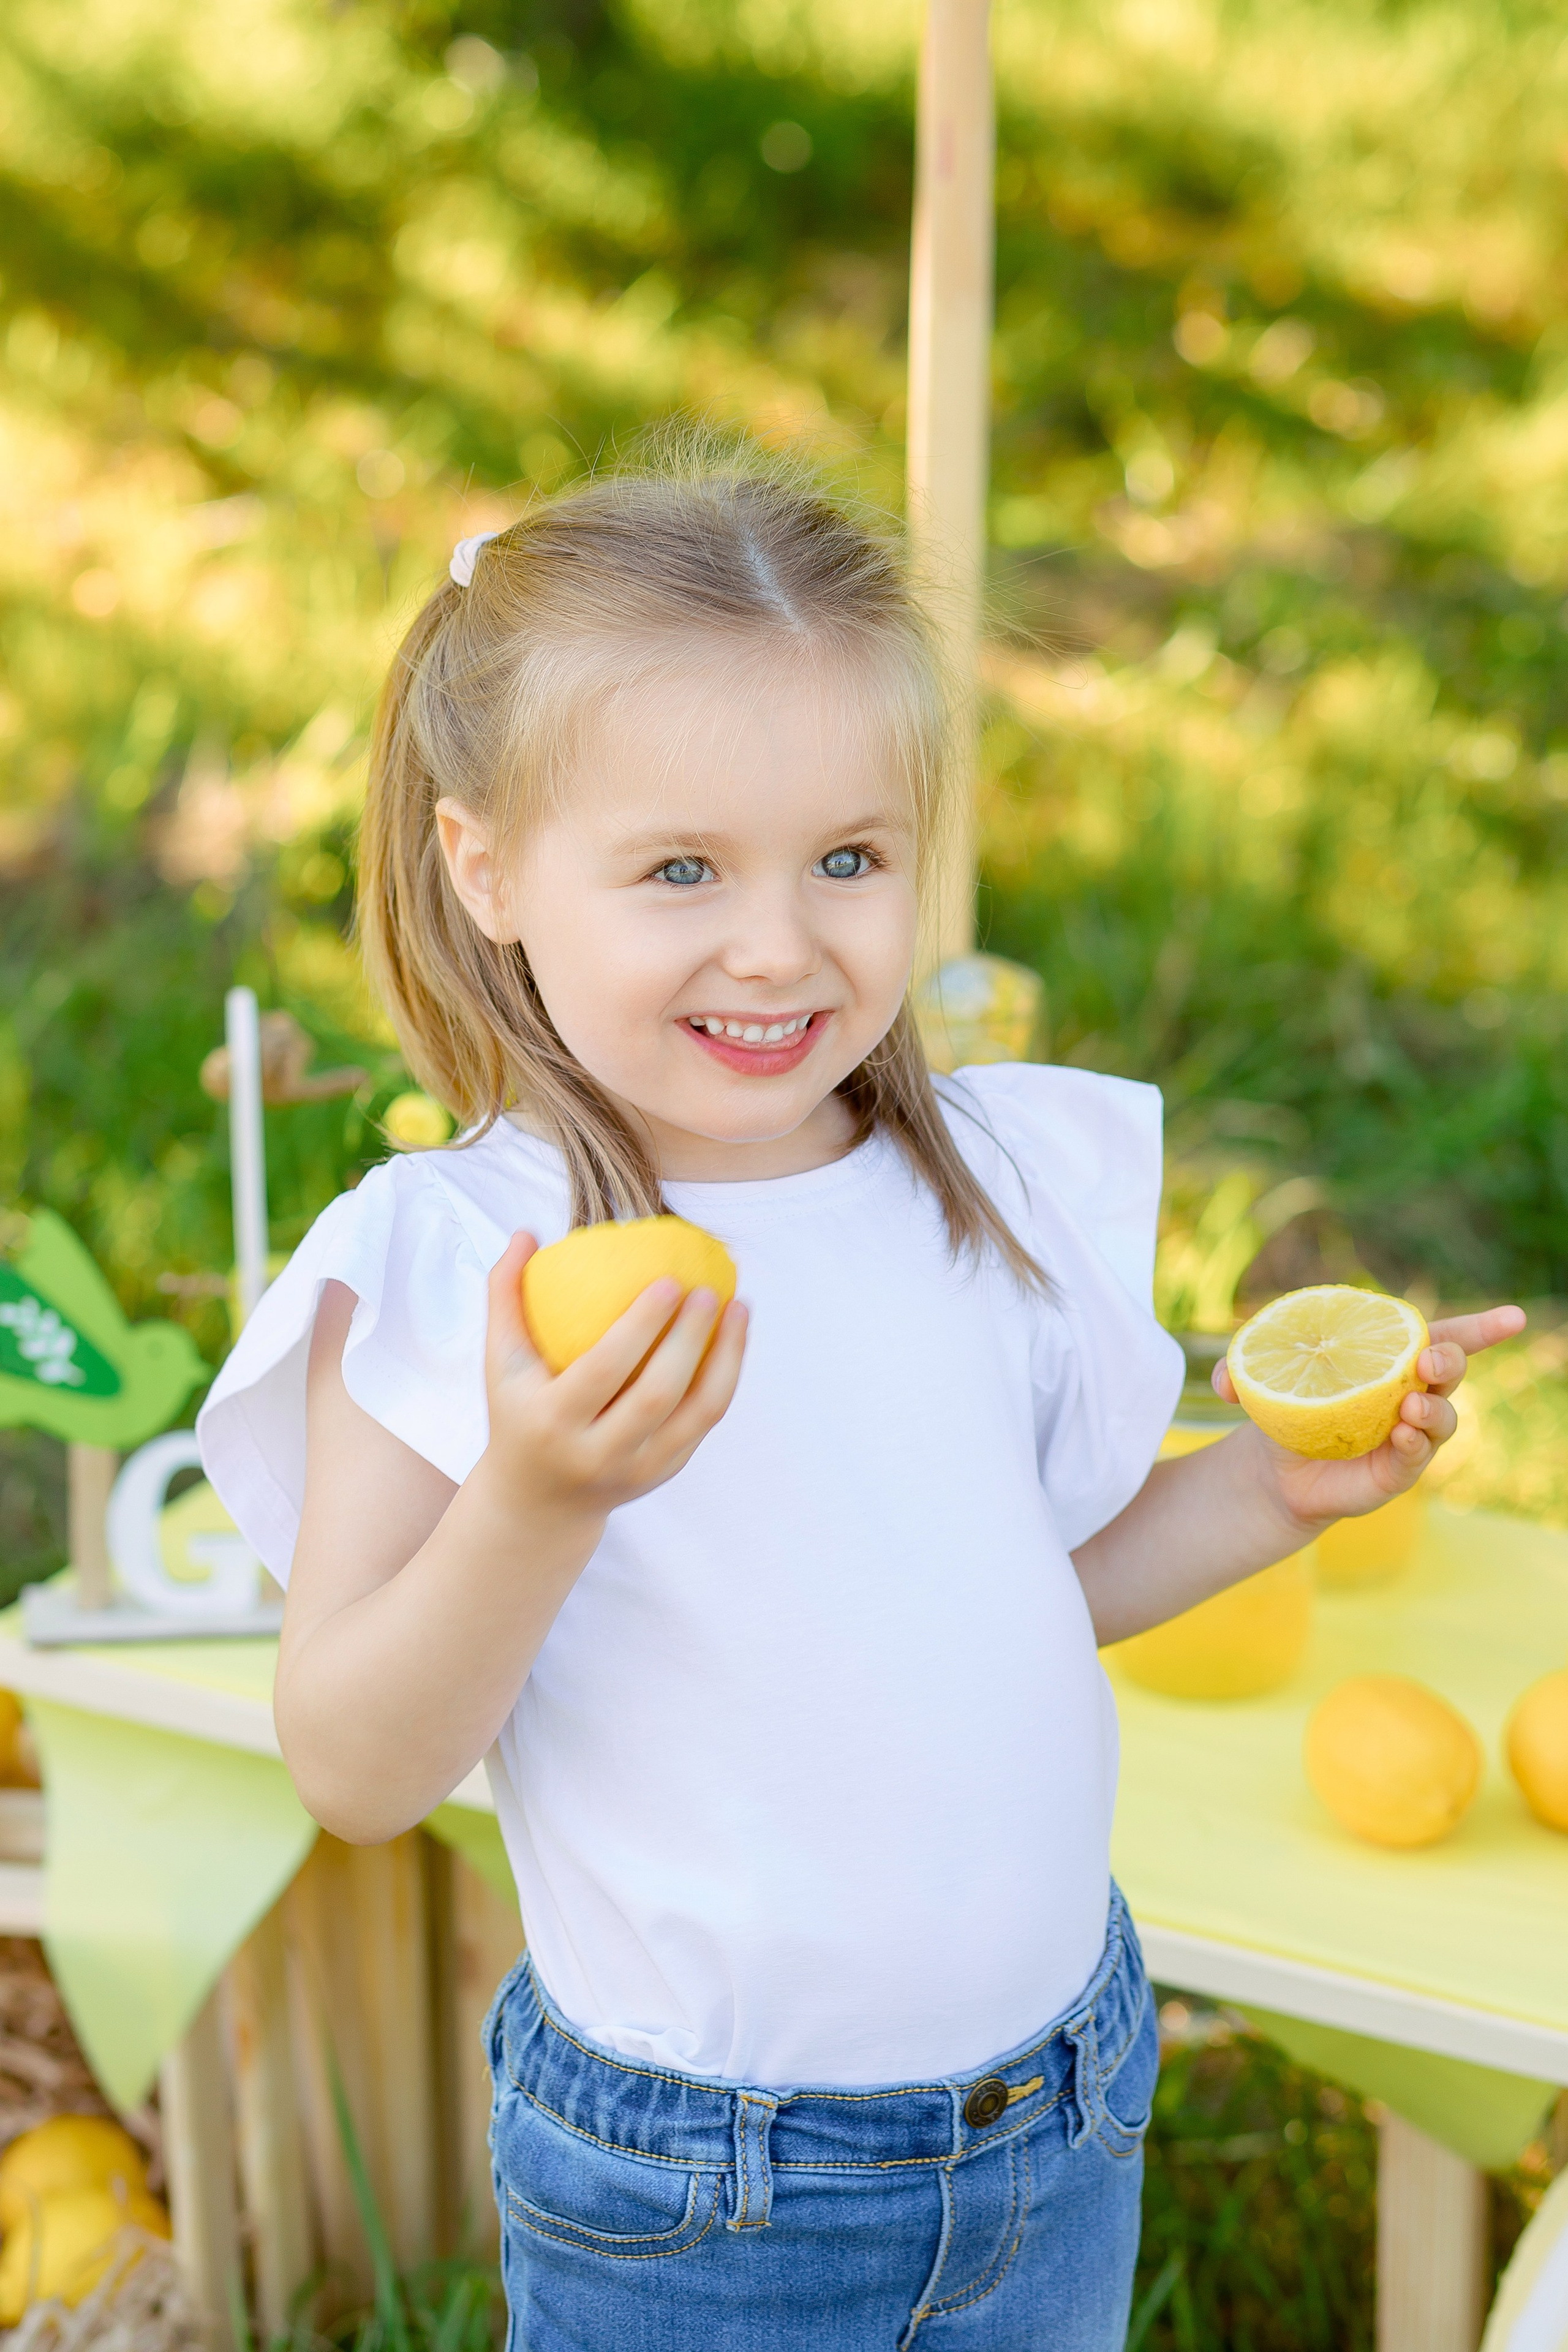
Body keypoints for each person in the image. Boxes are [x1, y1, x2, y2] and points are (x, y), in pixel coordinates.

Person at [198, 451, 1521, 2351]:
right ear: (485, 867)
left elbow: (1017, 1596)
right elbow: (355, 1763)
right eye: (679, 871)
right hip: (703, 2189)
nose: (778, 944)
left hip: (1059, 2109)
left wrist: (1264, 1496)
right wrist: (539, 1497)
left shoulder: (983, 1182)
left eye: (848, 857)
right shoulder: (454, 1263)